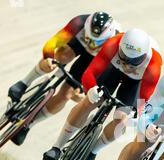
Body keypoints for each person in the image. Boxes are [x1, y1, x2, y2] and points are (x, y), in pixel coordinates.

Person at [42, 28, 163, 160]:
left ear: (143, 57)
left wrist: (137, 113)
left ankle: (93, 152)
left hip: (134, 84)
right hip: (112, 71)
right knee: (89, 102)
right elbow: (90, 73)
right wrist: (91, 88)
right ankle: (57, 147)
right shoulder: (113, 43)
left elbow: (145, 98)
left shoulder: (154, 64)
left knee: (122, 120)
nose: (127, 65)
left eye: (134, 62)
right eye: (124, 57)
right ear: (120, 48)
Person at [7, 12, 121, 146]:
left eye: (98, 42)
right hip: (76, 45)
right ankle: (24, 83)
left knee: (66, 95)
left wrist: (85, 90)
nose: (92, 44)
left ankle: (30, 124)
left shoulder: (115, 46)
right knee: (57, 58)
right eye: (89, 38)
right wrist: (49, 58)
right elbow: (52, 43)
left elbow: (101, 75)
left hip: (94, 62)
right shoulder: (78, 22)